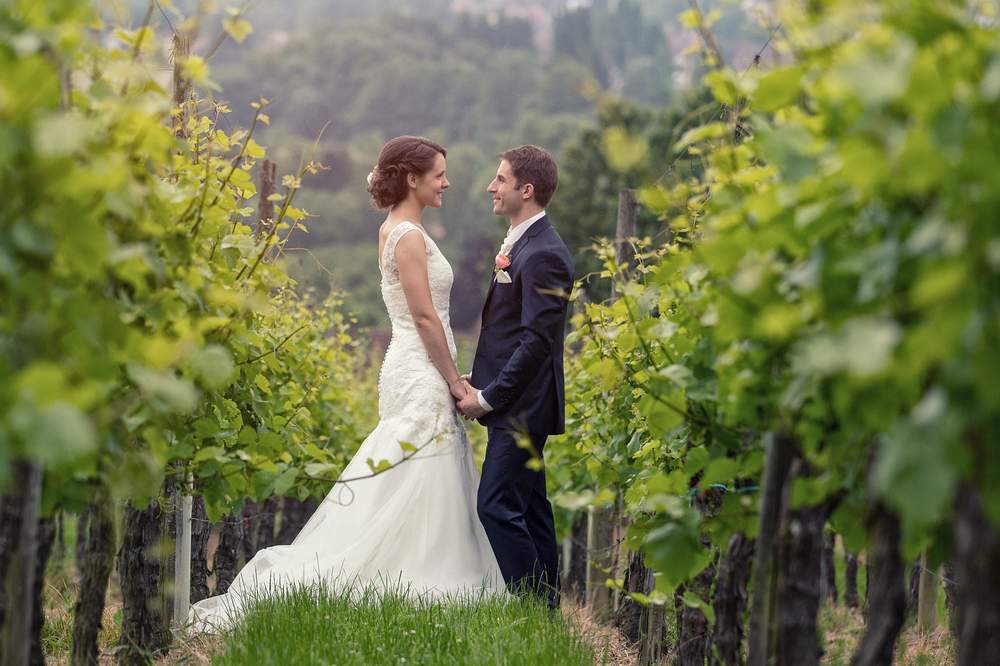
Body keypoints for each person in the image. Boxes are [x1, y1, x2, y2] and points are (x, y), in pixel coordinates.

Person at [188, 136, 503, 632]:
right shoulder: (410, 237)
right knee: (422, 466)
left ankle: (413, 575)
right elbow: (424, 317)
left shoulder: (393, 230)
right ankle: (424, 580)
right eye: (439, 174)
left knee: (416, 467)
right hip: (420, 366)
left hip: (410, 364)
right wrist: (454, 382)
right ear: (413, 178)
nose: (447, 182)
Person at [455, 145, 574, 610]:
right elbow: (510, 334)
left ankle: (532, 612)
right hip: (518, 400)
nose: (491, 186)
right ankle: (545, 615)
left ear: (527, 190)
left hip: (522, 407)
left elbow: (536, 343)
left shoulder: (545, 253)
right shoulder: (523, 244)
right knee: (530, 509)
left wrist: (487, 398)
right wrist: (479, 375)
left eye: (500, 179)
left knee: (496, 506)